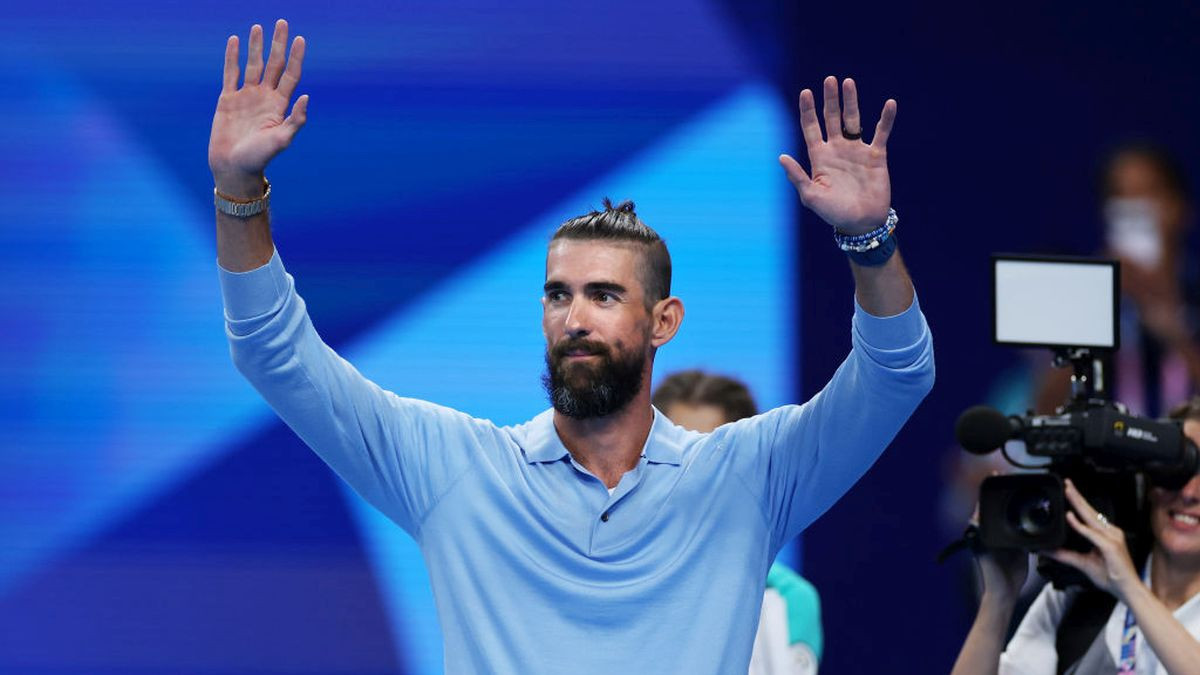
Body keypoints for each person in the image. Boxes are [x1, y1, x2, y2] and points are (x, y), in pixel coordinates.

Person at [209, 19, 933, 673]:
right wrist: (239, 191)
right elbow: (275, 353)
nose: (574, 317)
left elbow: (895, 376)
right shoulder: (457, 470)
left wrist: (868, 242)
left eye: (604, 295)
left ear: (664, 321)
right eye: (558, 294)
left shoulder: (745, 475)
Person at [950, 398, 1200, 675]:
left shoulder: (1120, 584)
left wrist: (1130, 590)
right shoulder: (1080, 597)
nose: (1189, 492)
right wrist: (998, 600)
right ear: (1149, 479)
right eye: (1177, 469)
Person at [653, 370, 823, 674]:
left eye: (709, 457)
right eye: (676, 456)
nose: (690, 479)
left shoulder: (786, 600)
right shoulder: (598, 575)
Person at [1034, 144, 1200, 418]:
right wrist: (1096, 304)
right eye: (1119, 195)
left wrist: (1163, 318)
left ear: (1179, 206)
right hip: (1105, 459)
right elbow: (1045, 410)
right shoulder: (1085, 296)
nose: (1133, 208)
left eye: (1147, 192)